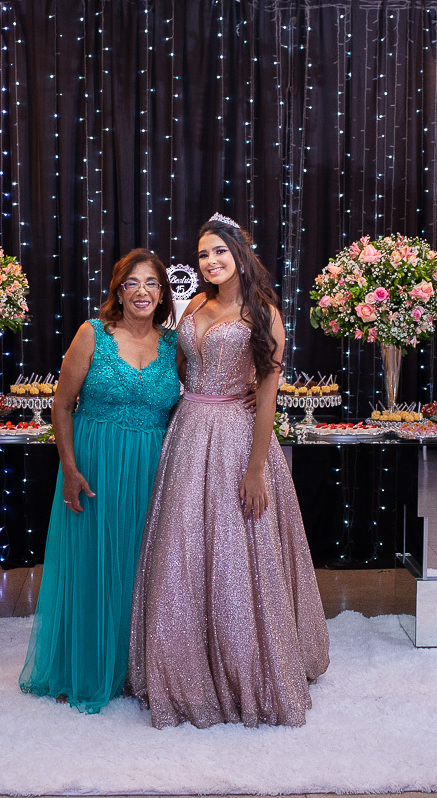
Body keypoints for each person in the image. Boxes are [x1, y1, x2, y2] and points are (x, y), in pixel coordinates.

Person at [127, 213, 330, 729]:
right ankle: (181, 668)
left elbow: (266, 398)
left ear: (241, 253)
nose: (211, 262)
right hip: (188, 431)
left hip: (237, 437)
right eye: (202, 254)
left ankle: (243, 668)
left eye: (219, 251)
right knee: (181, 549)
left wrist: (257, 468)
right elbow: (173, 364)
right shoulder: (194, 303)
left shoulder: (265, 314)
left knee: (236, 555)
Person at [19, 248, 180, 713]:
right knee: (94, 561)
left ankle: (137, 668)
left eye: (152, 283)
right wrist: (69, 468)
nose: (143, 291)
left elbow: (201, 395)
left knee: (141, 566)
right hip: (95, 465)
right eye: (133, 282)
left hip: (153, 466)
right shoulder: (92, 334)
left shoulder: (174, 347)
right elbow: (61, 405)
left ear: (163, 293)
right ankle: (88, 666)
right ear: (119, 290)